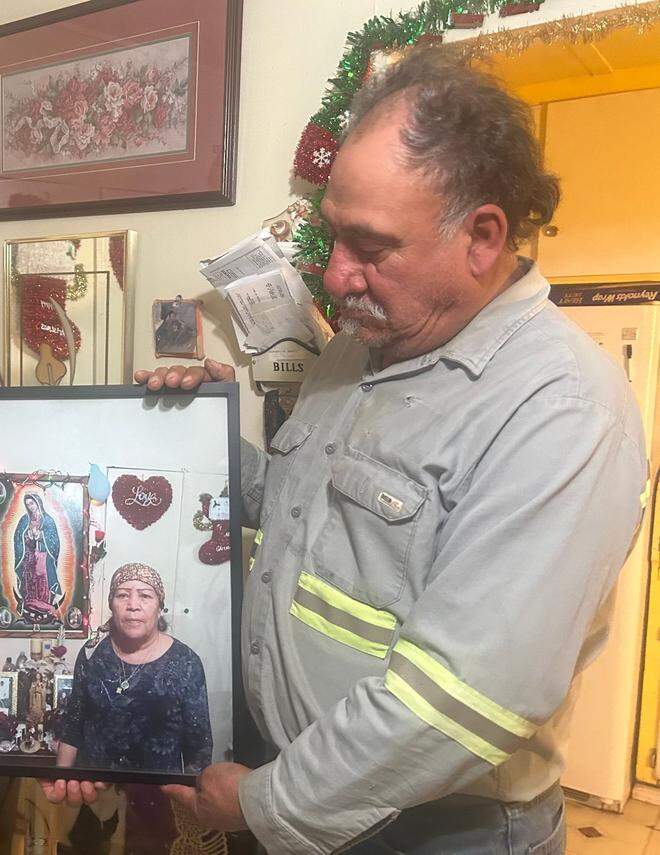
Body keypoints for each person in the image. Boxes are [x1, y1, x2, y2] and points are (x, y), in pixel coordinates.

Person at [107, 50, 646, 853]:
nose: (336, 274)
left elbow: (460, 700)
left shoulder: (563, 408)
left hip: (430, 831)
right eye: (332, 237)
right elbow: (303, 513)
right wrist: (200, 431)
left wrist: (264, 801)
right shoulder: (362, 345)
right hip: (301, 789)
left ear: (483, 236)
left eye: (371, 246)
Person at [57, 563, 212, 774]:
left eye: (145, 596)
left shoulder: (186, 662)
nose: (133, 605)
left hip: (158, 796)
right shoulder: (92, 653)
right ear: (111, 604)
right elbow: (73, 725)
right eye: (122, 595)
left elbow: (199, 749)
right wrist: (61, 779)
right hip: (93, 792)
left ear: (160, 608)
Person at [12, 492, 63, 623]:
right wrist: (26, 537)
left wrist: (40, 536)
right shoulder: (24, 520)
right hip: (29, 556)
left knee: (42, 579)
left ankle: (44, 605)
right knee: (30, 579)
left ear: (38, 503)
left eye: (32, 503)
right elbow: (17, 537)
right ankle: (30, 604)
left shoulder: (48, 520)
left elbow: (54, 541)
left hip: (43, 556)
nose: (30, 507)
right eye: (28, 504)